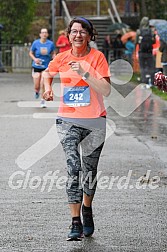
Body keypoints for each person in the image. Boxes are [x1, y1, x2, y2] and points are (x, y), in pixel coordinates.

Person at [42, 17, 111, 240]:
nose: (78, 35)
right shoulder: (61, 58)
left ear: (90, 35)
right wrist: (48, 88)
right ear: (68, 35)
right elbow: (47, 73)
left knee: (89, 171)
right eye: (73, 31)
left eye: (82, 31)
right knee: (73, 168)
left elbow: (106, 90)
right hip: (68, 121)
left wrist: (85, 73)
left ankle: (87, 209)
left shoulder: (98, 58)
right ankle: (74, 222)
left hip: (94, 122)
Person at [29, 28, 56, 108]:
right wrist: (35, 59)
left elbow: (53, 53)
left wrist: (54, 58)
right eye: (42, 33)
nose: (44, 34)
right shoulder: (36, 43)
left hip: (46, 67)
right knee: (37, 85)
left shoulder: (50, 44)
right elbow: (31, 53)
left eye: (45, 33)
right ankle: (36, 91)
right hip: (36, 66)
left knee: (43, 84)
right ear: (40, 34)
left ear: (47, 34)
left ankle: (42, 101)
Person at [135, 17, 155, 85]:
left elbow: (136, 42)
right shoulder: (151, 31)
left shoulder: (139, 31)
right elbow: (154, 41)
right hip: (149, 52)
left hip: (142, 52)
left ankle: (144, 80)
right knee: (151, 67)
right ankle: (152, 81)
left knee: (142, 66)